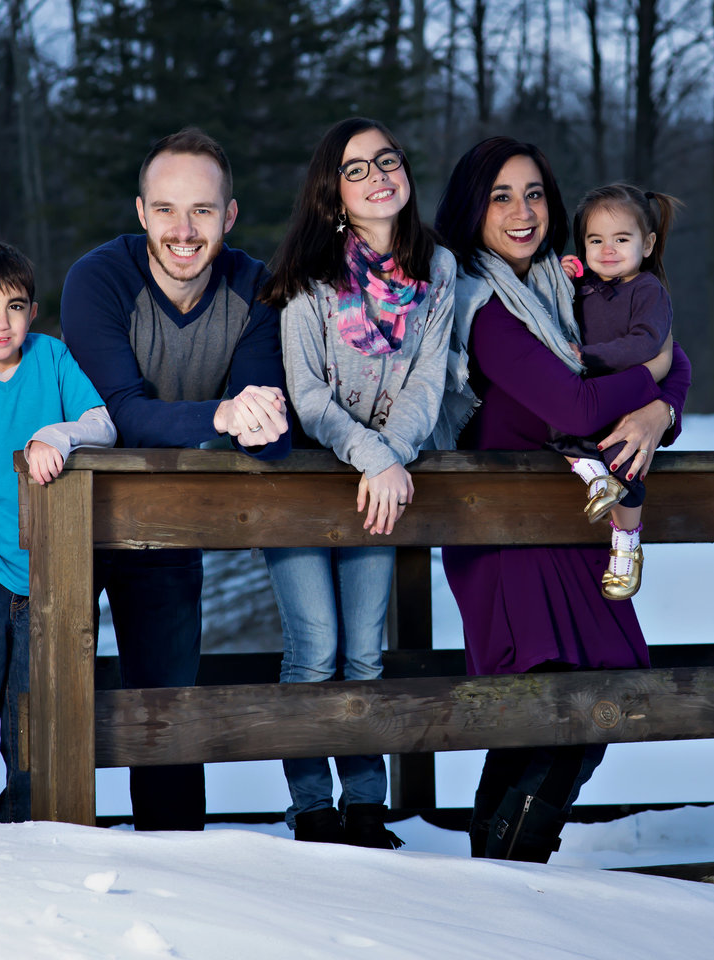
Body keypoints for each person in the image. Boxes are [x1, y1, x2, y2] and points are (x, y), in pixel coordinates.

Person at [431, 137, 692, 862]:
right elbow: (576, 405)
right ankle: (507, 879)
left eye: (535, 193)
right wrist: (656, 374)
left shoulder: (565, 288)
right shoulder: (480, 303)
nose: (523, 212)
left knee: (583, 713)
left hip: (573, 525)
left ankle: (502, 871)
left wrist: (658, 411)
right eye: (502, 197)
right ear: (472, 209)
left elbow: (668, 352)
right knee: (547, 714)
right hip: (505, 534)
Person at [62, 127, 290, 831]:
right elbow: (122, 414)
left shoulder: (256, 289)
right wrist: (223, 414)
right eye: (165, 209)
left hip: (164, 523)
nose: (183, 230)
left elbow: (260, 427)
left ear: (230, 216)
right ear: (140, 213)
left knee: (167, 706)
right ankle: (36, 853)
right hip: (66, 515)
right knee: (47, 697)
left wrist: (256, 419)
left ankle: (177, 864)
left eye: (201, 210)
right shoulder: (98, 280)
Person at [260, 118, 455, 847]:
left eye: (388, 160)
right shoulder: (306, 280)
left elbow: (428, 382)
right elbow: (308, 396)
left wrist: (390, 456)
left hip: (384, 482)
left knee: (364, 651)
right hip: (307, 482)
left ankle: (366, 806)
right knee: (313, 645)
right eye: (356, 168)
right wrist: (371, 454)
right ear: (333, 197)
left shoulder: (438, 269)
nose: (378, 175)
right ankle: (312, 807)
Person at [0, 237, 115, 822]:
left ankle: (27, 822)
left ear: (33, 312)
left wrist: (55, 437)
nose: (1, 321)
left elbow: (102, 424)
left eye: (15, 305)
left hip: (49, 570)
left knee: (34, 707)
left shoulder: (51, 360)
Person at [551, 183, 682, 600]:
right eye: (595, 240)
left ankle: (626, 545)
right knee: (561, 432)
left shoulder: (648, 291)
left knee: (625, 461)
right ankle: (595, 481)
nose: (607, 249)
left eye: (621, 239)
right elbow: (540, 307)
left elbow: (646, 344)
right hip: (586, 397)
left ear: (647, 244)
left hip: (630, 400)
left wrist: (585, 355)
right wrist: (558, 274)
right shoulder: (581, 288)